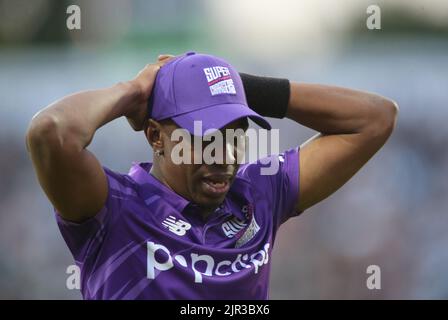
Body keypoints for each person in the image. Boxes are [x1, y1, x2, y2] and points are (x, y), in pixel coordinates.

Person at [25, 52, 398, 299]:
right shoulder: (113, 209)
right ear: (156, 136)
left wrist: (234, 87)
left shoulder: (259, 195)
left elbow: (375, 119)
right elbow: (51, 133)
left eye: (234, 135)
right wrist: (135, 90)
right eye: (204, 138)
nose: (225, 156)